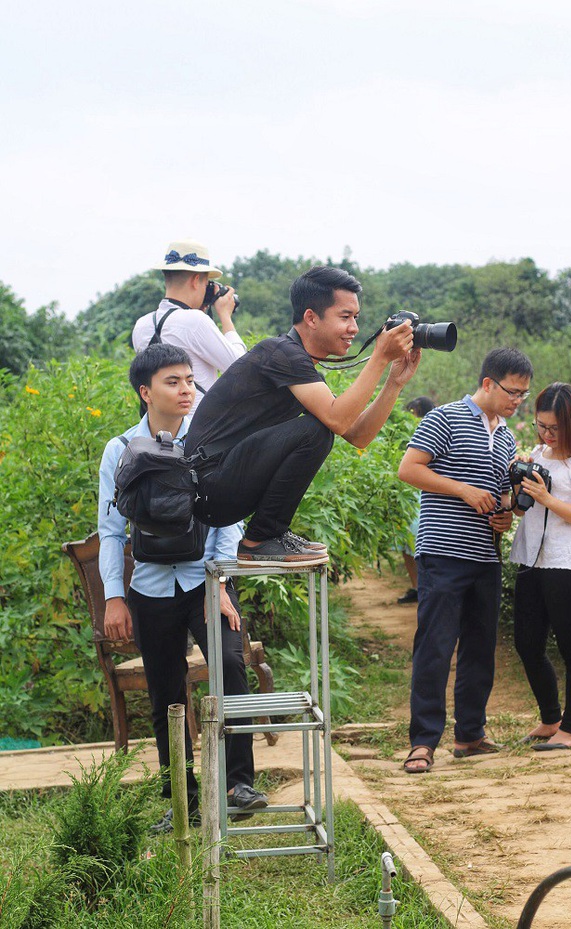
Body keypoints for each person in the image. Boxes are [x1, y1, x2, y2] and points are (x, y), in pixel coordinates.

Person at [98, 344, 267, 832]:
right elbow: (111, 530)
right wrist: (114, 595)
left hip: (204, 581)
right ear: (145, 391)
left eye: (190, 379)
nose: (187, 388)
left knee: (230, 665)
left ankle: (238, 784)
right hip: (150, 589)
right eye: (173, 381)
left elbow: (227, 517)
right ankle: (183, 800)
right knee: (165, 695)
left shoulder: (208, 441)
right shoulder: (120, 449)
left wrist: (219, 580)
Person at [185, 265, 421, 566]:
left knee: (321, 427)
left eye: (356, 318)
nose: (355, 329)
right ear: (311, 317)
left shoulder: (297, 363)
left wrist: (394, 382)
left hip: (221, 487)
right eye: (345, 317)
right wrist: (378, 357)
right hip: (210, 485)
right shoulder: (281, 353)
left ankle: (268, 534)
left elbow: (358, 435)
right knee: (317, 430)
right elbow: (337, 421)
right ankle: (260, 539)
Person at [398, 348, 533, 773]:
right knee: (435, 647)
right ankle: (423, 742)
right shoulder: (445, 418)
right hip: (442, 552)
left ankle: (470, 734)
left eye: (524, 396)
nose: (517, 401)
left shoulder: (507, 435)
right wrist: (462, 490)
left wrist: (505, 512)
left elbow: (502, 497)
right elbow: (410, 469)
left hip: (484, 555)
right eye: (513, 392)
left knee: (479, 648)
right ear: (489, 383)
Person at [509, 383, 571, 751]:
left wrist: (547, 498)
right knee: (527, 643)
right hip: (532, 558)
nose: (547, 435)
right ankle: (550, 719)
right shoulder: (539, 453)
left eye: (554, 429)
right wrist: (519, 486)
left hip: (568, 563)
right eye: (541, 426)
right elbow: (523, 508)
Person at [132, 239, 246, 410]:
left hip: (159, 430)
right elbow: (242, 367)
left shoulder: (142, 325)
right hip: (198, 429)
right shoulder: (195, 321)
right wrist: (225, 316)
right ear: (196, 280)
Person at [397, 396, 435, 605]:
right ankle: (416, 587)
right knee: (406, 544)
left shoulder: (434, 430)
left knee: (420, 542)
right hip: (408, 493)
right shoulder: (403, 432)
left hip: (424, 495)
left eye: (414, 414)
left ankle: (426, 588)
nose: (411, 417)